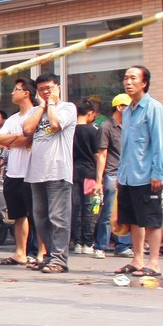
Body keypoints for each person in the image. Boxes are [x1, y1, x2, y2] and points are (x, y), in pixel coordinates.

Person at [116, 66, 163, 278]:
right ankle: (137, 259)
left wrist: (158, 173)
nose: (128, 82)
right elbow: (126, 147)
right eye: (126, 78)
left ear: (144, 83)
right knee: (133, 220)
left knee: (151, 220)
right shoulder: (127, 111)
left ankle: (154, 262)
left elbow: (159, 143)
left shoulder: (153, 108)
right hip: (128, 176)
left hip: (147, 175)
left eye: (133, 78)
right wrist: (120, 175)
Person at [23, 72, 77, 273]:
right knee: (40, 218)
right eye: (41, 89)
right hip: (36, 172)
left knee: (58, 218)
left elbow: (55, 124)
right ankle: (49, 256)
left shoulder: (67, 108)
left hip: (58, 171)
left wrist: (52, 103)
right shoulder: (36, 111)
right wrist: (42, 106)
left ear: (58, 88)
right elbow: (27, 129)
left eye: (49, 88)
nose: (45, 92)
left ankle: (59, 260)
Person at [0, 77, 39, 267]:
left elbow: (27, 138)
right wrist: (18, 137)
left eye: (16, 89)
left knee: (36, 215)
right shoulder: (12, 119)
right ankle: (20, 252)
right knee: (18, 215)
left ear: (26, 93)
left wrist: (15, 139)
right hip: (13, 173)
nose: (12, 93)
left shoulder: (37, 114)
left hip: (33, 172)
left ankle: (41, 253)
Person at [94, 94, 133, 260]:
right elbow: (102, 154)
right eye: (129, 106)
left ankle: (123, 245)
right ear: (120, 107)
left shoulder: (131, 126)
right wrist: (98, 180)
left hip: (128, 173)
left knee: (126, 211)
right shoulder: (106, 126)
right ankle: (101, 245)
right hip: (112, 172)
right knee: (109, 211)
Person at [70, 100, 100, 256]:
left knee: (76, 208)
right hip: (89, 173)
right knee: (88, 207)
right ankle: (88, 243)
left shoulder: (70, 130)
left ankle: (77, 242)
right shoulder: (93, 130)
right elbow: (97, 154)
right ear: (90, 113)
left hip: (73, 173)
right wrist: (100, 176)